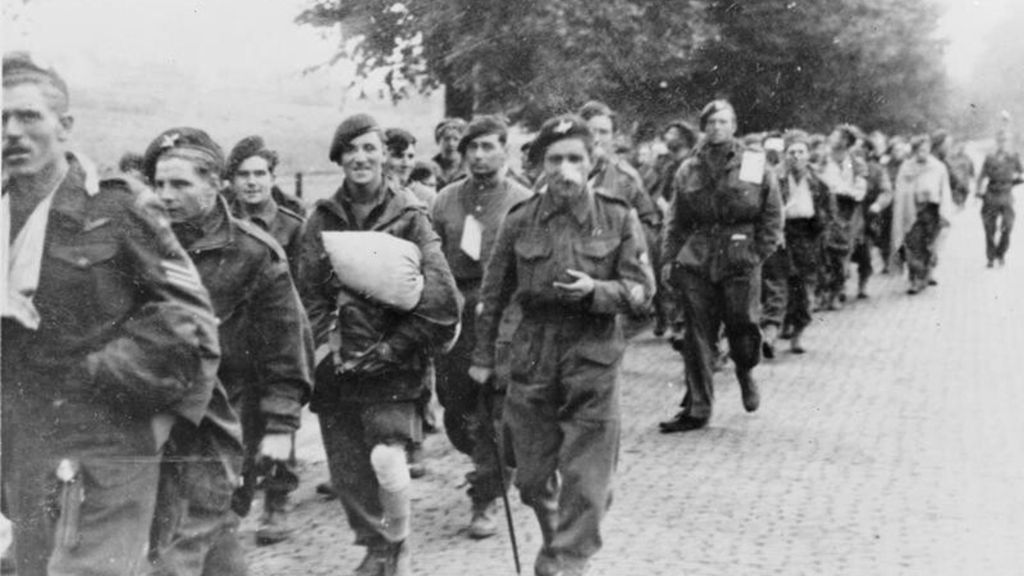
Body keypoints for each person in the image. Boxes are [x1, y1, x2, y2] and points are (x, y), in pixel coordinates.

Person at [2, 52, 220, 576]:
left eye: (29, 117)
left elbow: (188, 318)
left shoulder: (118, 209)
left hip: (108, 432)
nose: (12, 132)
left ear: (65, 126)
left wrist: (102, 371)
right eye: (1, 119)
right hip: (24, 437)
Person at [469, 114, 653, 576]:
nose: (564, 167)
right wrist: (482, 358)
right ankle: (560, 541)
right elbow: (492, 295)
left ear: (593, 164)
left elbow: (641, 292)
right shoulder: (520, 219)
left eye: (575, 158)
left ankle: (566, 562)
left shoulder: (617, 215)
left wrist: (596, 291)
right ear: (539, 166)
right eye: (555, 159)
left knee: (586, 475)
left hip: (593, 352)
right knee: (530, 477)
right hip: (533, 351)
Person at [142, 127, 314, 570]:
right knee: (187, 532)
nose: (166, 195)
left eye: (180, 184)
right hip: (155, 414)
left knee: (194, 531)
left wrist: (280, 427)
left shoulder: (253, 253)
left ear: (215, 183)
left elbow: (286, 346)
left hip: (229, 418)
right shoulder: (140, 245)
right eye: (159, 184)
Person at [298, 113, 461, 576]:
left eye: (369, 148)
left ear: (384, 156)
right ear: (339, 158)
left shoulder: (409, 215)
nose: (360, 158)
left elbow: (442, 299)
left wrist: (394, 348)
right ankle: (375, 545)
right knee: (348, 470)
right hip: (339, 362)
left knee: (387, 457)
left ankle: (399, 543)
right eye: (350, 150)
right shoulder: (323, 218)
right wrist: (325, 348)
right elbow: (306, 291)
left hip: (395, 361)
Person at [431, 115, 532, 539]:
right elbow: (431, 261)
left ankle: (487, 496)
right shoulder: (446, 200)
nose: (478, 155)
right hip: (456, 313)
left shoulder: (523, 201)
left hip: (505, 315)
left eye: (488, 146)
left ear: (504, 150)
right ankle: (493, 465)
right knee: (456, 410)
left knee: (496, 408)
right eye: (472, 147)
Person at [659, 100, 783, 433]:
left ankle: (745, 370)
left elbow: (771, 210)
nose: (717, 127)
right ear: (703, 126)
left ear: (734, 126)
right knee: (697, 335)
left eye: (724, 121)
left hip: (740, 256)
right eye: (711, 122)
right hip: (698, 258)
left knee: (743, 327)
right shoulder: (690, 168)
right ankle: (698, 408)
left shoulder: (752, 162)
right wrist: (670, 259)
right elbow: (676, 220)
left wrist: (759, 252)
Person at [577, 101, 663, 333]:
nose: (595, 137)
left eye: (603, 132)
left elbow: (649, 223)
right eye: (589, 130)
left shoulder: (626, 178)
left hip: (608, 274)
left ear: (614, 138)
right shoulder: (557, 173)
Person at [777, 131, 836, 353]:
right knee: (782, 285)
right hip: (783, 235)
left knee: (804, 287)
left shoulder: (818, 182)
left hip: (808, 236)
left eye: (801, 152)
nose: (796, 156)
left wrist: (822, 230)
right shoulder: (776, 179)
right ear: (785, 155)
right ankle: (782, 323)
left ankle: (798, 333)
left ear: (808, 155)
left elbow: (829, 211)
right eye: (792, 152)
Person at [226, 136, 306, 275]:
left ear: (272, 180)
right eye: (243, 175)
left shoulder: (294, 227)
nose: (251, 182)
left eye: (259, 174)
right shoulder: (221, 221)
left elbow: (302, 286)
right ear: (232, 182)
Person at [886, 134, 953, 294]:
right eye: (919, 149)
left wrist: (944, 212)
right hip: (912, 212)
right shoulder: (907, 167)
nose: (922, 151)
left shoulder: (938, 167)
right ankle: (915, 279)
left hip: (932, 212)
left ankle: (926, 273)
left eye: (925, 148)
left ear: (929, 149)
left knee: (929, 247)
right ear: (915, 150)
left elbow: (944, 191)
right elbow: (901, 190)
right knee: (913, 246)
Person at [818, 124, 867, 310]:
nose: (831, 138)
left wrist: (841, 190)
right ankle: (823, 293)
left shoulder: (856, 162)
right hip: (825, 212)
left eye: (835, 135)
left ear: (845, 141)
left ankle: (836, 291)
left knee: (841, 255)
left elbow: (860, 191)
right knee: (822, 254)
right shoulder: (823, 159)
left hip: (846, 213)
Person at [850, 138, 892, 299]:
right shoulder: (846, 166)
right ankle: (836, 288)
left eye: (861, 149)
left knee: (865, 255)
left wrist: (878, 205)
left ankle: (862, 284)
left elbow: (886, 191)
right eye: (854, 148)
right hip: (847, 215)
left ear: (869, 151)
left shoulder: (877, 170)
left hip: (867, 216)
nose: (857, 151)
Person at [976, 128, 1022, 268]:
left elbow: (1021, 173)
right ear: (997, 141)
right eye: (1000, 140)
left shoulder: (1014, 156)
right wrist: (978, 190)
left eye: (1005, 140)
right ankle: (990, 257)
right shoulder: (990, 157)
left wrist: (1012, 182)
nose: (1002, 143)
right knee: (989, 227)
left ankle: (1001, 253)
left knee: (1008, 226)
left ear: (1009, 142)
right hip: (991, 193)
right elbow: (981, 175)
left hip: (1006, 194)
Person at [432, 118, 467, 189]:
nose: (451, 144)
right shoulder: (429, 170)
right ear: (438, 141)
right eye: (446, 139)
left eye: (456, 139)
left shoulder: (471, 171)